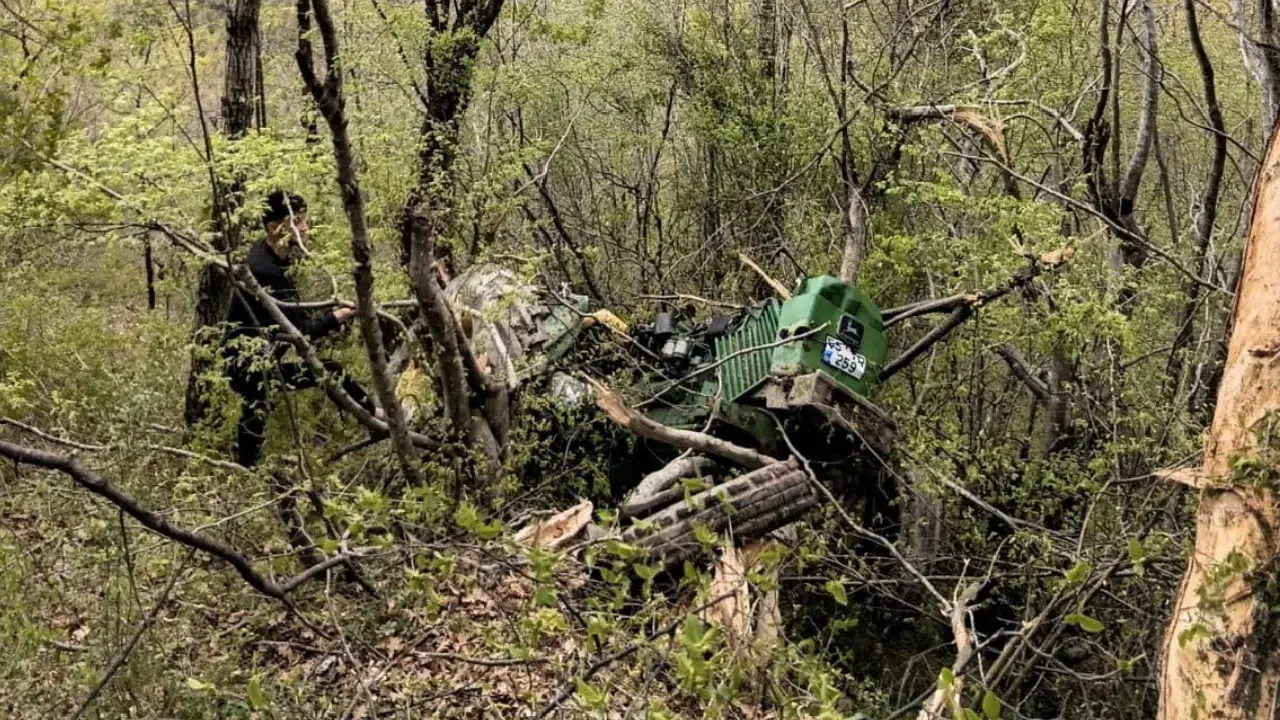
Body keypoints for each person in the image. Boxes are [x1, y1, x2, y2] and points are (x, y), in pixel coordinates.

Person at [223, 190, 383, 467]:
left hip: (247, 359)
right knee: (330, 371)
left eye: (304, 220)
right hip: (247, 364)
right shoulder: (266, 271)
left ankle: (245, 467)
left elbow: (292, 315)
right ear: (274, 228)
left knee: (257, 404)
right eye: (296, 221)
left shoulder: (271, 256)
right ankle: (377, 417)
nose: (305, 228)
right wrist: (341, 314)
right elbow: (303, 330)